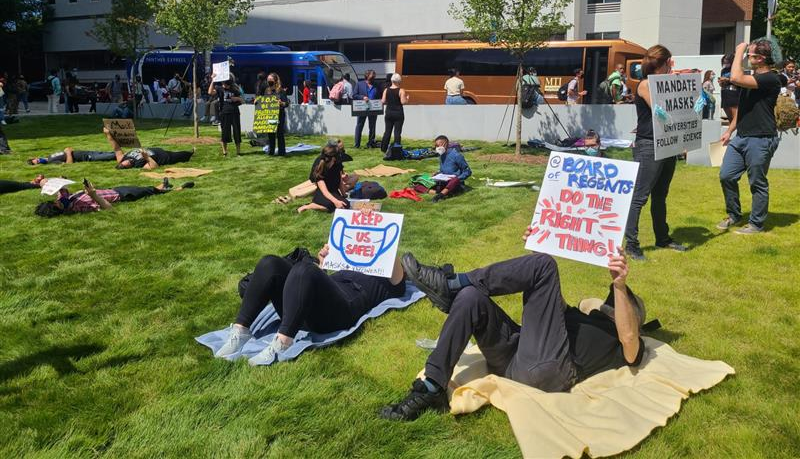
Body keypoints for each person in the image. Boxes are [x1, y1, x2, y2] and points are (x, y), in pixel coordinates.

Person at [380, 240, 645, 421]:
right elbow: (545, 295)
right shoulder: (581, 316)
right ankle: (432, 387)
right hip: (515, 359)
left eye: (620, 305)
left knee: (544, 266)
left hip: (552, 369)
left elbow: (630, 338)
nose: (609, 304)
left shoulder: (623, 341)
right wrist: (539, 243)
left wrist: (620, 286)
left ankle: (452, 283)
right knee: (472, 297)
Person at [214, 240, 406, 364]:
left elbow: (395, 267)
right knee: (270, 263)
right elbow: (321, 281)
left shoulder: (389, 279)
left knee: (304, 269)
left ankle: (283, 343)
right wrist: (324, 262)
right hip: (307, 306)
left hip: (341, 310)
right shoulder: (351, 260)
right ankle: (240, 331)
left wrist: (384, 234)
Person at [623, 45, 686, 261]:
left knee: (661, 195)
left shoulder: (660, 83)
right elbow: (662, 110)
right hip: (649, 145)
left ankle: (663, 238)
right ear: (667, 62)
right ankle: (631, 244)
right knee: (640, 196)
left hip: (666, 143)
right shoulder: (645, 85)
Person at [718, 40, 782, 235]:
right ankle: (735, 214)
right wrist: (730, 130)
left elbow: (735, 76)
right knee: (726, 175)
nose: (747, 57)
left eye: (750, 55)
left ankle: (756, 224)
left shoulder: (770, 79)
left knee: (757, 182)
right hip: (741, 137)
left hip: (761, 138)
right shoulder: (752, 79)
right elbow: (743, 109)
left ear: (760, 59)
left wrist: (738, 50)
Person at [34, 177, 194, 218]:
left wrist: (44, 182)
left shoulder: (65, 200)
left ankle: (162, 185)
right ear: (58, 209)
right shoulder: (77, 207)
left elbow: (60, 189)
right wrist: (93, 195)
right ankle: (176, 189)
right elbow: (108, 209)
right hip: (122, 196)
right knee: (148, 192)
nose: (57, 200)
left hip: (115, 190)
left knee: (146, 189)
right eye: (55, 203)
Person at [103, 126, 194, 169]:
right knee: (183, 155)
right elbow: (154, 167)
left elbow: (116, 148)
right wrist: (146, 157)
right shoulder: (138, 165)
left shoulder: (122, 158)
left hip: (156, 150)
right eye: (127, 165)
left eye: (124, 163)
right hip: (165, 157)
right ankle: (192, 152)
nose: (127, 162)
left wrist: (108, 134)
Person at [298, 142, 351, 213]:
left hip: (334, 191)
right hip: (322, 193)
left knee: (344, 205)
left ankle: (318, 205)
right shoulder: (319, 165)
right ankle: (310, 206)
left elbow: (340, 180)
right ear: (333, 158)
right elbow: (324, 190)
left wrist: (344, 194)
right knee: (332, 205)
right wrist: (335, 201)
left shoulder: (337, 163)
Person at [430, 135, 472, 202]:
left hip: (455, 183)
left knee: (454, 180)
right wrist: (437, 173)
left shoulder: (456, 155)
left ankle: (440, 195)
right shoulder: (441, 155)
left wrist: (458, 178)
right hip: (444, 182)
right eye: (436, 146)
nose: (436, 148)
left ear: (445, 144)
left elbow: (468, 171)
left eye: (438, 146)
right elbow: (443, 170)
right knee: (421, 181)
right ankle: (444, 193)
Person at [208, 77, 242, 157]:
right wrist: (213, 80)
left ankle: (238, 152)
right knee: (225, 133)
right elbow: (210, 92)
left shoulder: (235, 89)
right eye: (223, 83)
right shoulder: (219, 88)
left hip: (235, 112)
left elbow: (241, 100)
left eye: (225, 84)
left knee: (237, 132)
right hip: (224, 112)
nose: (224, 85)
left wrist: (237, 98)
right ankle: (225, 152)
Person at [380, 74, 409, 154]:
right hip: (398, 113)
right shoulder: (401, 90)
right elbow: (403, 102)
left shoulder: (386, 90)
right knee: (397, 132)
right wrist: (407, 99)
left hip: (389, 112)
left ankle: (383, 148)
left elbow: (383, 101)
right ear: (399, 81)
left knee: (387, 131)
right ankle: (397, 148)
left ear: (392, 81)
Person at [353, 70, 381, 149]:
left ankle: (370, 143)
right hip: (362, 108)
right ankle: (357, 144)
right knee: (359, 126)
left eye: (374, 76)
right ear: (367, 76)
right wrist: (362, 97)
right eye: (372, 76)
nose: (373, 78)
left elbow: (380, 95)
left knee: (372, 126)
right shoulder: (359, 84)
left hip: (373, 109)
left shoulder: (377, 85)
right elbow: (354, 95)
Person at [264, 72, 289, 157]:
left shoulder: (281, 91)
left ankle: (281, 152)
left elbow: (287, 103)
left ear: (275, 80)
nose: (268, 81)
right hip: (270, 114)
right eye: (268, 80)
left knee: (280, 133)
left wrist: (281, 103)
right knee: (270, 133)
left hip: (279, 114)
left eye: (270, 80)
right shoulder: (267, 91)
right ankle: (271, 151)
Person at [28, 147, 117, 165]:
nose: (40, 161)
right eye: (39, 163)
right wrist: (68, 152)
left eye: (38, 160)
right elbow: (68, 164)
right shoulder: (51, 162)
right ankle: (127, 156)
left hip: (84, 152)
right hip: (86, 157)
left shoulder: (50, 156)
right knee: (111, 156)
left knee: (109, 153)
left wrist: (66, 150)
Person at [718, 53, 739, 123]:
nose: (725, 64)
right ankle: (731, 125)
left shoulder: (736, 69)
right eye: (724, 62)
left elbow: (738, 80)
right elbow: (722, 84)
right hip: (724, 92)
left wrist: (727, 79)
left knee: (734, 114)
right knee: (726, 110)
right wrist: (721, 82)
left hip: (733, 92)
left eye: (727, 62)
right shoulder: (723, 70)